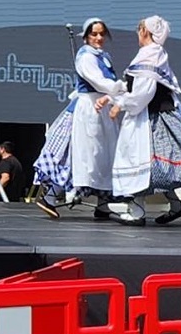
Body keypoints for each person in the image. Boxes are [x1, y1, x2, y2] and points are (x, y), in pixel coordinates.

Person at [104, 16, 181, 226]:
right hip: (155, 115)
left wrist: (119, 105)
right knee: (158, 165)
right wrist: (114, 93)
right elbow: (134, 83)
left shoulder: (150, 55)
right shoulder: (153, 54)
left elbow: (142, 93)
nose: (137, 33)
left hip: (150, 119)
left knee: (143, 162)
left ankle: (138, 211)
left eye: (138, 29)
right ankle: (174, 204)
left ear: (145, 32)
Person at [34, 18, 126, 218]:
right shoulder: (85, 56)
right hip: (87, 110)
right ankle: (50, 197)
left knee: (104, 156)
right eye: (94, 34)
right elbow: (99, 81)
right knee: (80, 156)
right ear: (86, 37)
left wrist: (117, 96)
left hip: (102, 109)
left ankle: (103, 204)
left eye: (101, 34)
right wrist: (119, 88)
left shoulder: (103, 56)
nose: (99, 38)